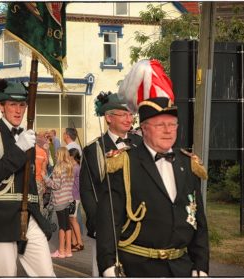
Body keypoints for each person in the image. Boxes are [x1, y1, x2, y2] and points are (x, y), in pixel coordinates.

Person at [96, 60, 209, 277]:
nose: (168, 131)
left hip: (181, 267)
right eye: (160, 125)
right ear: (144, 129)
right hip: (138, 266)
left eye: (172, 124)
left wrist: (201, 265)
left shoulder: (188, 163)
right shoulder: (124, 163)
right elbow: (109, 220)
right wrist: (109, 265)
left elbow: (198, 220)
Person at [0, 79, 54, 277]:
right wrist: (19, 148)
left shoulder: (27, 134)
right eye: (12, 104)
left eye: (22, 104)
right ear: (1, 106)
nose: (18, 110)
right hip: (3, 215)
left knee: (46, 274)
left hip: (31, 216)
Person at [79, 92, 142, 276]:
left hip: (137, 226)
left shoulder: (141, 144)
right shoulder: (94, 149)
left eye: (131, 114)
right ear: (108, 117)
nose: (129, 119)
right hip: (107, 228)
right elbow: (87, 191)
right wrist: (99, 223)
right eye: (123, 114)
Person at [43, 147, 75, 258]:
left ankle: (61, 251)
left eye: (56, 154)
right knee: (67, 225)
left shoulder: (58, 168)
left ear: (60, 155)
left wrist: (45, 178)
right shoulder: (70, 167)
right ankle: (68, 250)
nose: (55, 155)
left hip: (60, 200)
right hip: (68, 199)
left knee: (62, 226)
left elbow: (56, 185)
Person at [68, 148, 84, 252]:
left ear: (72, 157)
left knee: (73, 220)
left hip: (73, 197)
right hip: (74, 196)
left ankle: (80, 242)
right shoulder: (76, 167)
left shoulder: (75, 168)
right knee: (71, 219)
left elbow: (69, 181)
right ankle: (74, 242)